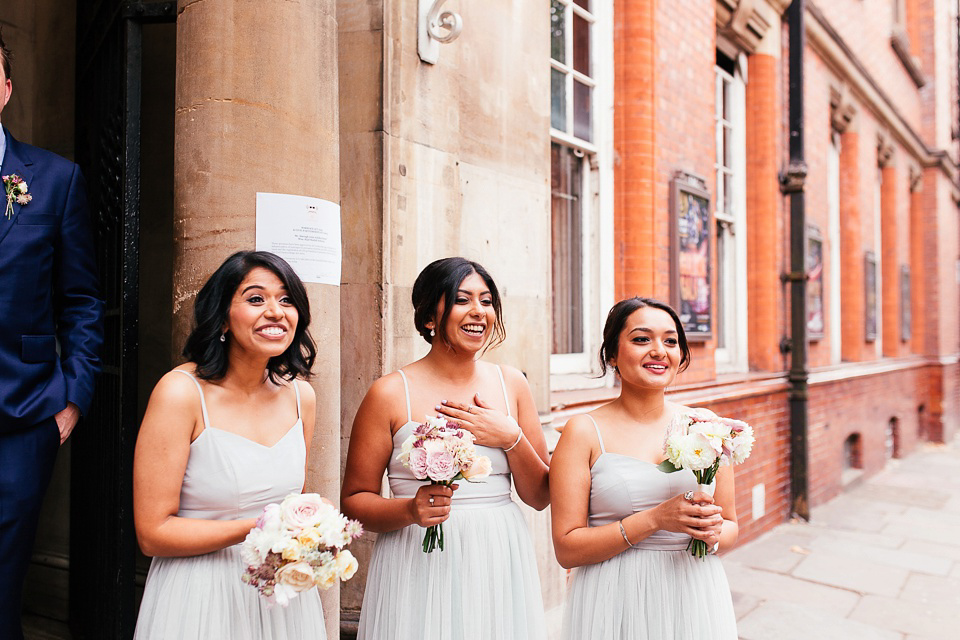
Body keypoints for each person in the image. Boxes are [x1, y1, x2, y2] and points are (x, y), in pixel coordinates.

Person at [342, 257, 550, 640]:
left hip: (497, 555)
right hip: (417, 557)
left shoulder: (512, 384)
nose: (478, 312)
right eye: (461, 299)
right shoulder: (390, 393)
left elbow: (539, 496)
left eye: (487, 301)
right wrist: (409, 508)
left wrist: (511, 438)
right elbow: (355, 501)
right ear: (428, 318)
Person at [132, 251, 327, 640]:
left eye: (286, 299)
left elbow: (293, 503)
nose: (275, 311)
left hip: (279, 596)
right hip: (201, 594)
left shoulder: (301, 397)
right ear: (222, 316)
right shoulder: (181, 393)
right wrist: (256, 528)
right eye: (256, 299)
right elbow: (152, 532)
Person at [550, 297, 739, 639]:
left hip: (692, 593)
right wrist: (654, 520)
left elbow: (730, 528)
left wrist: (712, 534)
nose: (659, 351)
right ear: (612, 355)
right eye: (641, 339)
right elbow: (567, 548)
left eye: (670, 341)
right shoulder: (583, 431)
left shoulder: (706, 427)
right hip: (613, 596)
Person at [0, 31, 104, 640]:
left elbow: (82, 299)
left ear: (7, 90)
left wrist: (73, 397)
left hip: (22, 415)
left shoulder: (56, 179)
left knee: (5, 579)